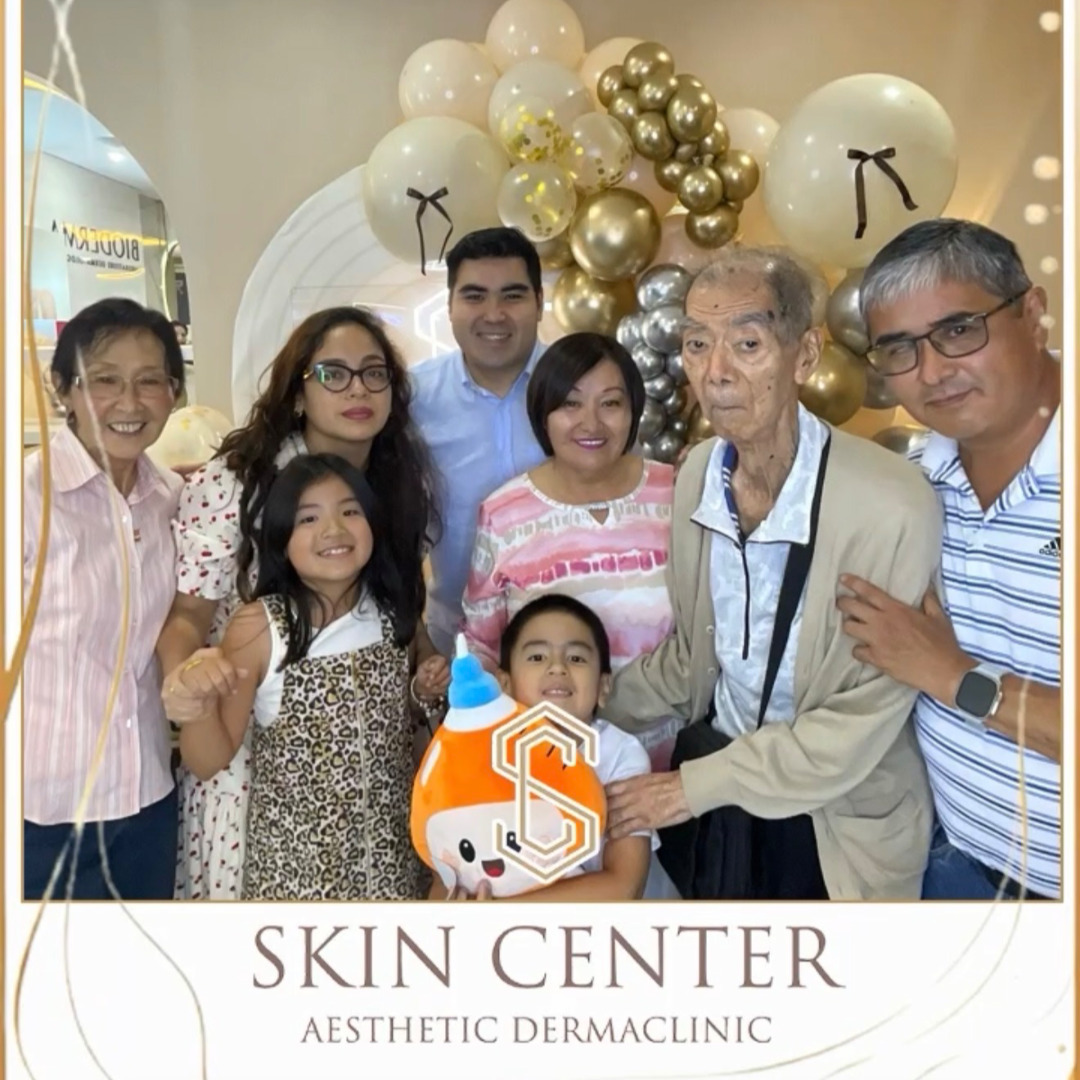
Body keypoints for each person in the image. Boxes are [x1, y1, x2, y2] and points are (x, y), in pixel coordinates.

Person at [600, 247, 943, 901]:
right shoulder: (698, 476)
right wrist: (580, 701)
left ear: (805, 355)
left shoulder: (891, 504)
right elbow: (692, 660)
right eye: (697, 344)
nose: (716, 372)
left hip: (837, 825)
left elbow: (860, 717)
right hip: (723, 813)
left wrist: (688, 788)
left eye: (748, 344)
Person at [158, 306, 445, 899]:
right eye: (332, 374)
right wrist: (192, 689)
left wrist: (429, 677)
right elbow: (187, 618)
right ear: (296, 392)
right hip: (249, 737)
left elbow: (403, 615)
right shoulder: (237, 482)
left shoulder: (398, 481)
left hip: (371, 788)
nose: (357, 389)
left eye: (374, 373)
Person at [841, 219, 1061, 901]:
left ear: (1032, 313)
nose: (932, 372)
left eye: (959, 330)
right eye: (899, 349)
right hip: (951, 866)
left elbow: (931, 665)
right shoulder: (913, 487)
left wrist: (954, 675)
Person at [176, 454, 439, 899]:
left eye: (350, 511)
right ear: (281, 539)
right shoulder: (260, 627)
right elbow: (208, 760)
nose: (333, 529)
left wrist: (423, 690)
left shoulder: (394, 610)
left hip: (392, 868)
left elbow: (400, 719)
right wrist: (197, 704)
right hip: (297, 880)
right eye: (309, 518)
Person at [23, 298, 185, 900]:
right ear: (63, 388)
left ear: (173, 393)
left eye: (150, 382)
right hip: (40, 811)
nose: (129, 403)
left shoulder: (171, 498)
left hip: (147, 801)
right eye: (104, 381)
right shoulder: (25, 498)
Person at [461, 332, 681, 770]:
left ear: (634, 410)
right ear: (543, 413)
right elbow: (481, 646)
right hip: (544, 768)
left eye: (610, 403)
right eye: (570, 404)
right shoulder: (504, 513)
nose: (591, 423)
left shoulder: (677, 491)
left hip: (665, 763)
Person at [434, 594, 657, 901]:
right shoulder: (478, 753)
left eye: (576, 658)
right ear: (505, 684)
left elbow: (624, 887)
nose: (557, 668)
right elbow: (445, 875)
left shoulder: (621, 755)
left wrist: (501, 914)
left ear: (603, 687)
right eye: (537, 657)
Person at [410, 227, 547, 657]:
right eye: (474, 296)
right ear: (449, 306)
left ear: (540, 303)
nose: (494, 314)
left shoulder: (582, 388)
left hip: (574, 644)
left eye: (512, 296)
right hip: (456, 644)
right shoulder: (412, 400)